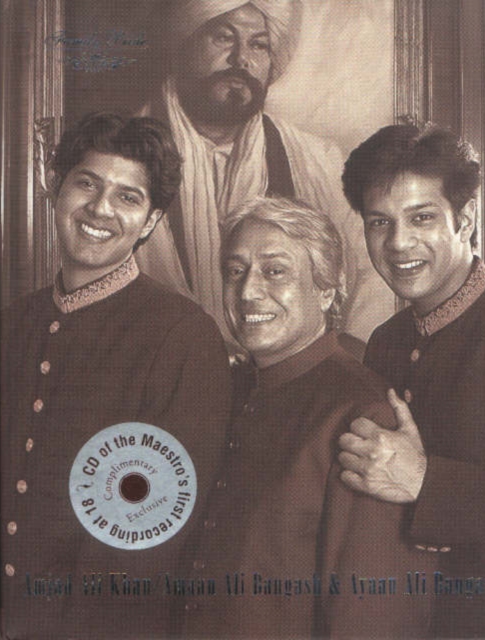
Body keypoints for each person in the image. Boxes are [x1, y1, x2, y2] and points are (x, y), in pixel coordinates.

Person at [0, 113, 231, 639]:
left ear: (150, 222)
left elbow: (148, 536)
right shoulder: (12, 324)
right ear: (55, 188)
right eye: (87, 183)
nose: (101, 209)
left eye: (128, 197)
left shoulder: (182, 337)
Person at [181, 196, 434, 639]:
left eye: (275, 271)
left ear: (325, 290)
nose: (247, 291)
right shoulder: (231, 393)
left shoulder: (365, 417)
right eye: (235, 271)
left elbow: (371, 620)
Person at [338, 123, 485, 638]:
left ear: (465, 220)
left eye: (421, 217)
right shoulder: (387, 340)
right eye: (380, 222)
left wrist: (426, 482)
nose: (399, 243)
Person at [137, 0, 393, 342]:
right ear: (185, 42)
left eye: (259, 45)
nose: (241, 59)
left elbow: (371, 272)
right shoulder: (124, 155)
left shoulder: (318, 161)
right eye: (223, 38)